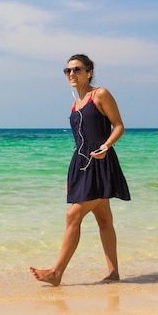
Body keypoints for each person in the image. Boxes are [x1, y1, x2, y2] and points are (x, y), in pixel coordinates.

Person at [30, 53, 131, 286]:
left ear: (89, 72)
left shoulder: (101, 94)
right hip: (81, 165)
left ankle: (56, 272)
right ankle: (114, 274)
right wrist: (72, 176)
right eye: (68, 71)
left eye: (77, 69)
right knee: (104, 219)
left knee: (73, 215)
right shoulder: (75, 104)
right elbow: (79, 142)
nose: (72, 74)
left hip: (101, 162)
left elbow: (119, 126)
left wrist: (106, 146)